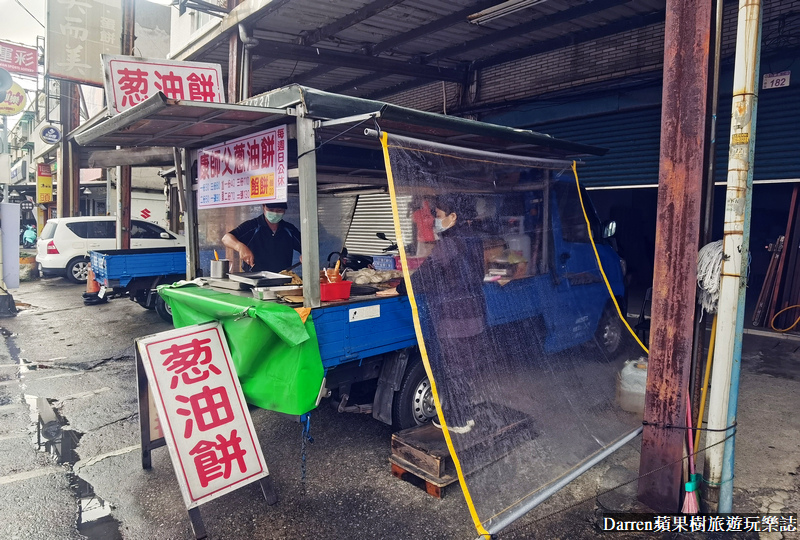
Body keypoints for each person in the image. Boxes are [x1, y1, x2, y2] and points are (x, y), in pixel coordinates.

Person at [222, 202, 301, 273]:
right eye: (271, 209)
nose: (275, 213)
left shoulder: (289, 230)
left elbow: (306, 247)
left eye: (279, 210)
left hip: (283, 279)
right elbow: (226, 238)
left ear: (284, 211)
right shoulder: (252, 226)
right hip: (254, 279)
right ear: (263, 206)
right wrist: (240, 247)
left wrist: (305, 255)